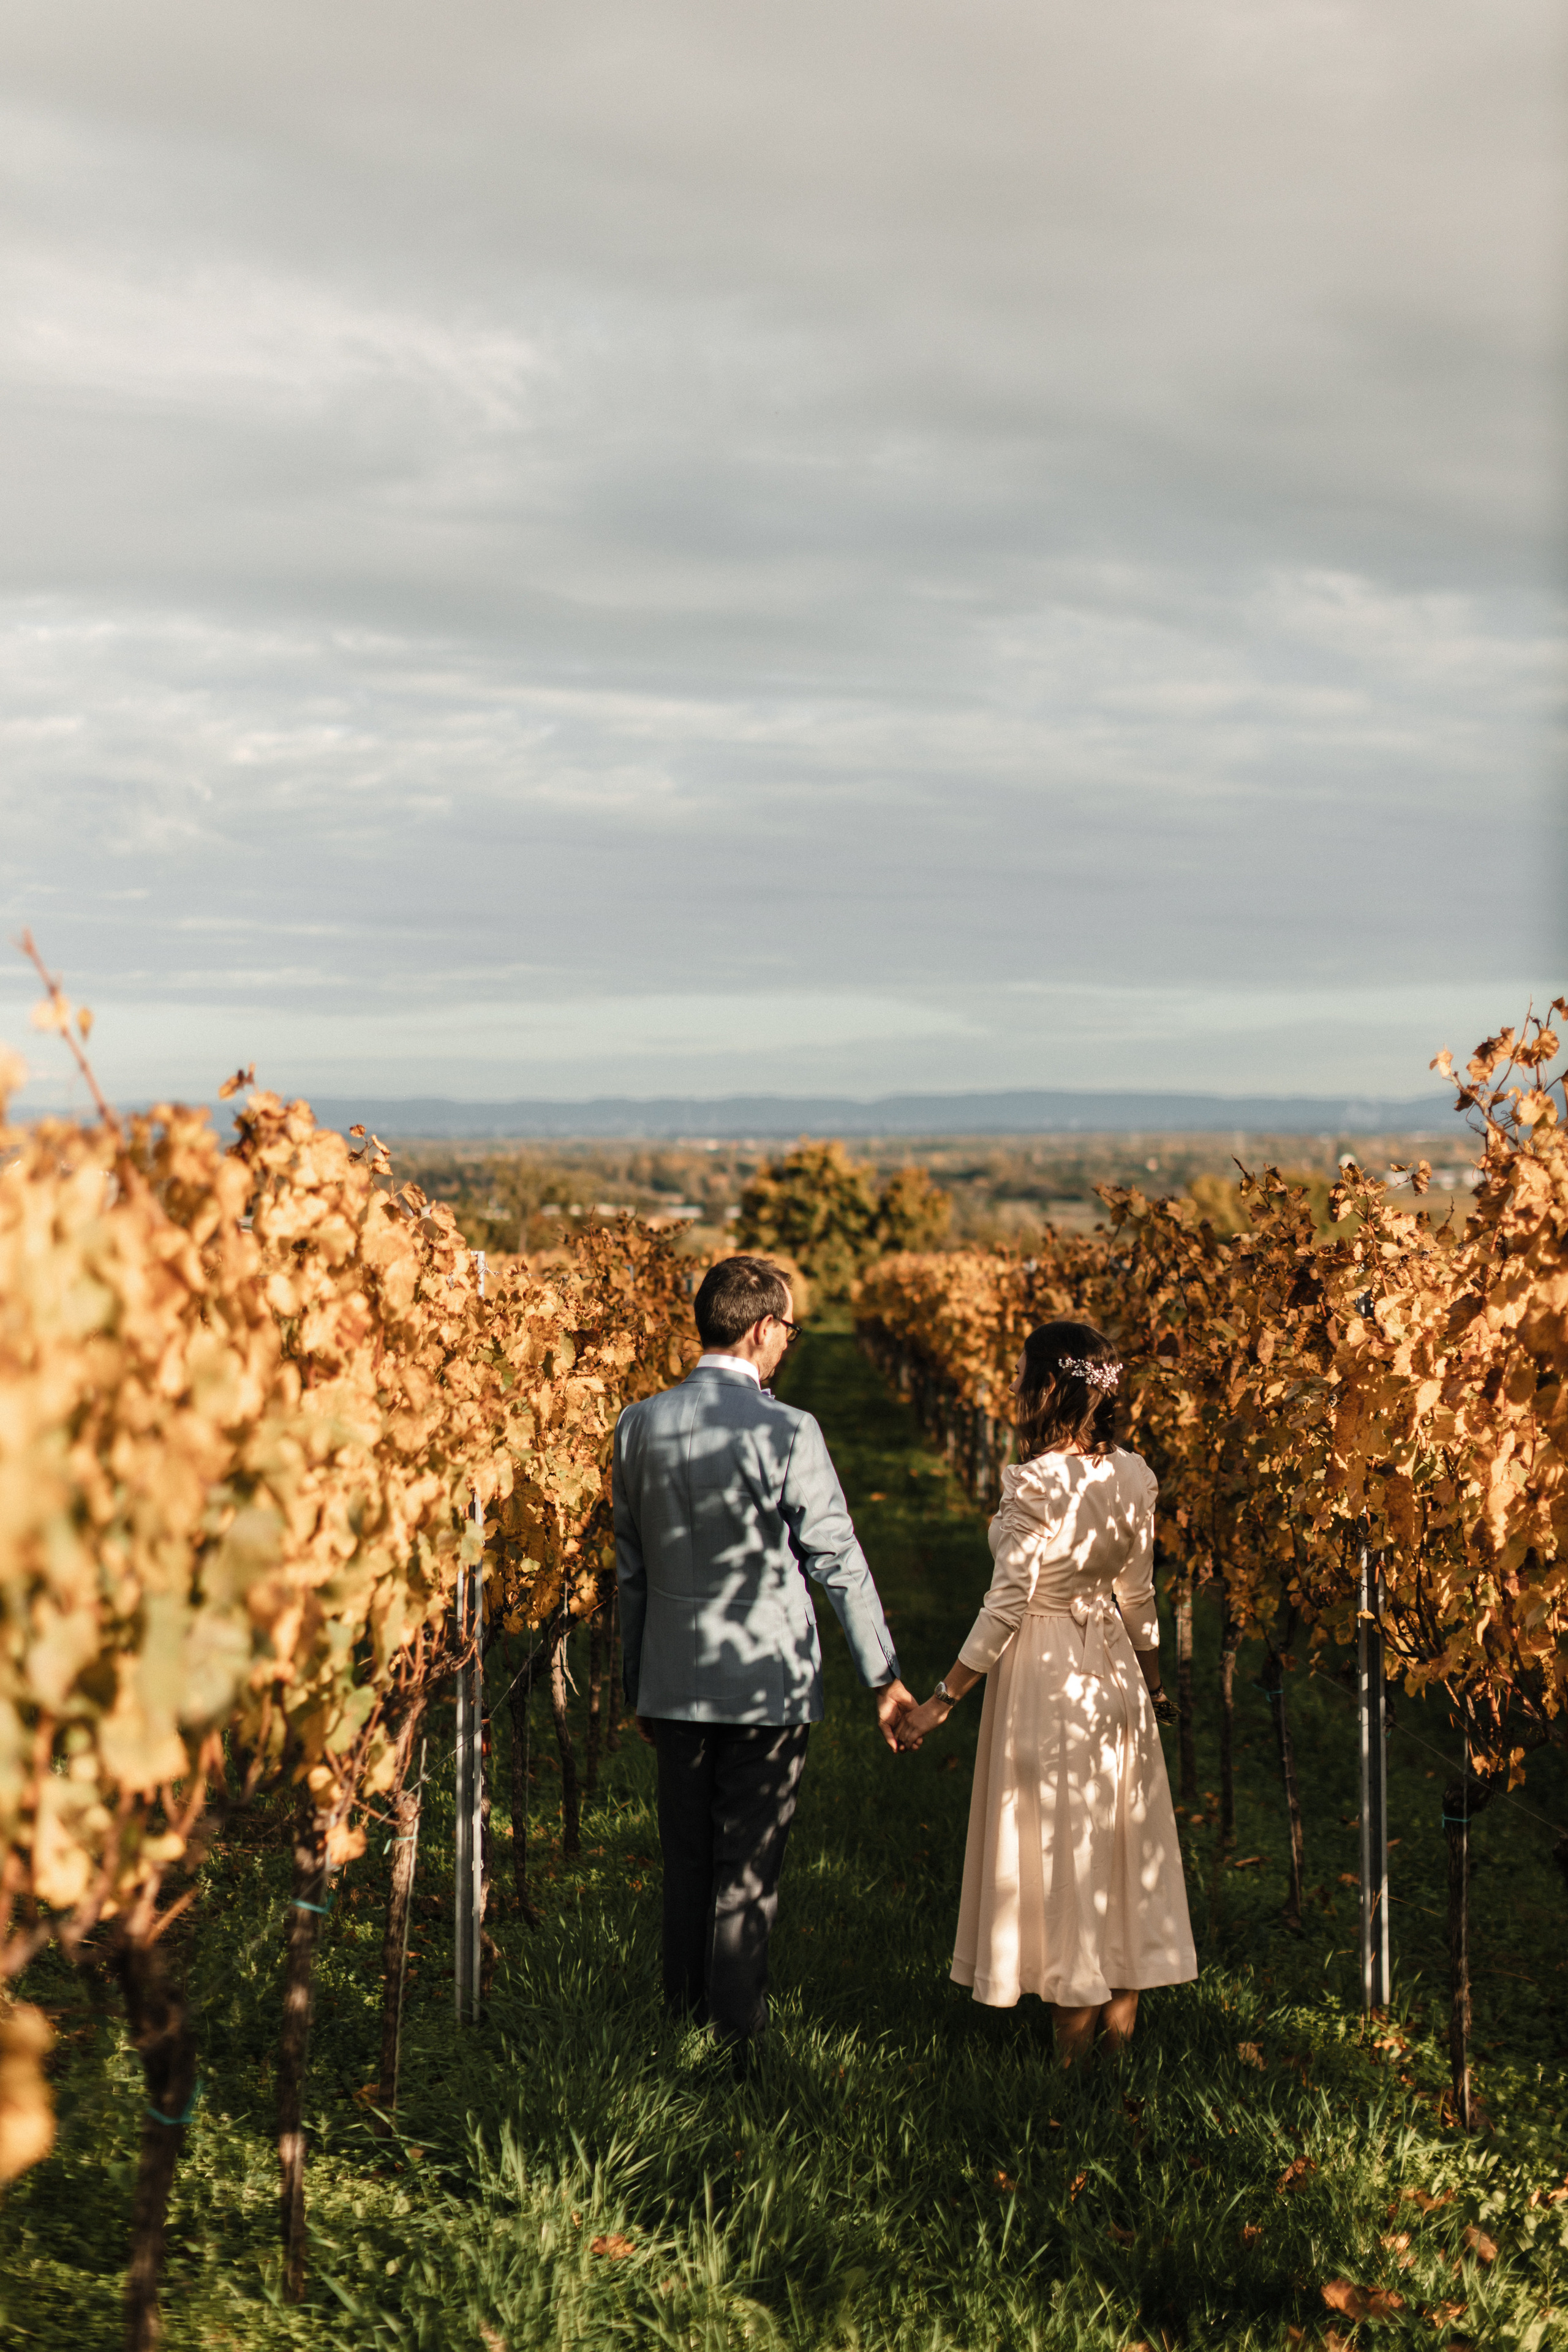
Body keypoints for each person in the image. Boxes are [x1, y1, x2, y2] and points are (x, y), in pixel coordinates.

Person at [614, 1254, 915, 2059]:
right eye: (787, 1329)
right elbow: (837, 1558)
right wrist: (882, 1678)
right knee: (746, 1862)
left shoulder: (637, 1423)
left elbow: (631, 1571)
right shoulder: (788, 1431)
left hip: (674, 1680)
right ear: (760, 1329)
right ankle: (735, 2037)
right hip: (767, 1684)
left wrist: (635, 1681)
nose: (788, 1344)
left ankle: (679, 2020)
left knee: (687, 1858)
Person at [897, 1319, 1196, 2062]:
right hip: (1117, 1677)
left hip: (1050, 1676)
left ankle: (1066, 2067)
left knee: (1065, 1850)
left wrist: (943, 1699)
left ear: (1045, 1388)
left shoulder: (1036, 1481)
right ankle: (1118, 2055)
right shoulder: (1134, 1473)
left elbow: (1006, 1605)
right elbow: (1139, 1597)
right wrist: (1152, 1689)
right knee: (1118, 1846)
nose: (1011, 1385)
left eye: (1022, 1373)